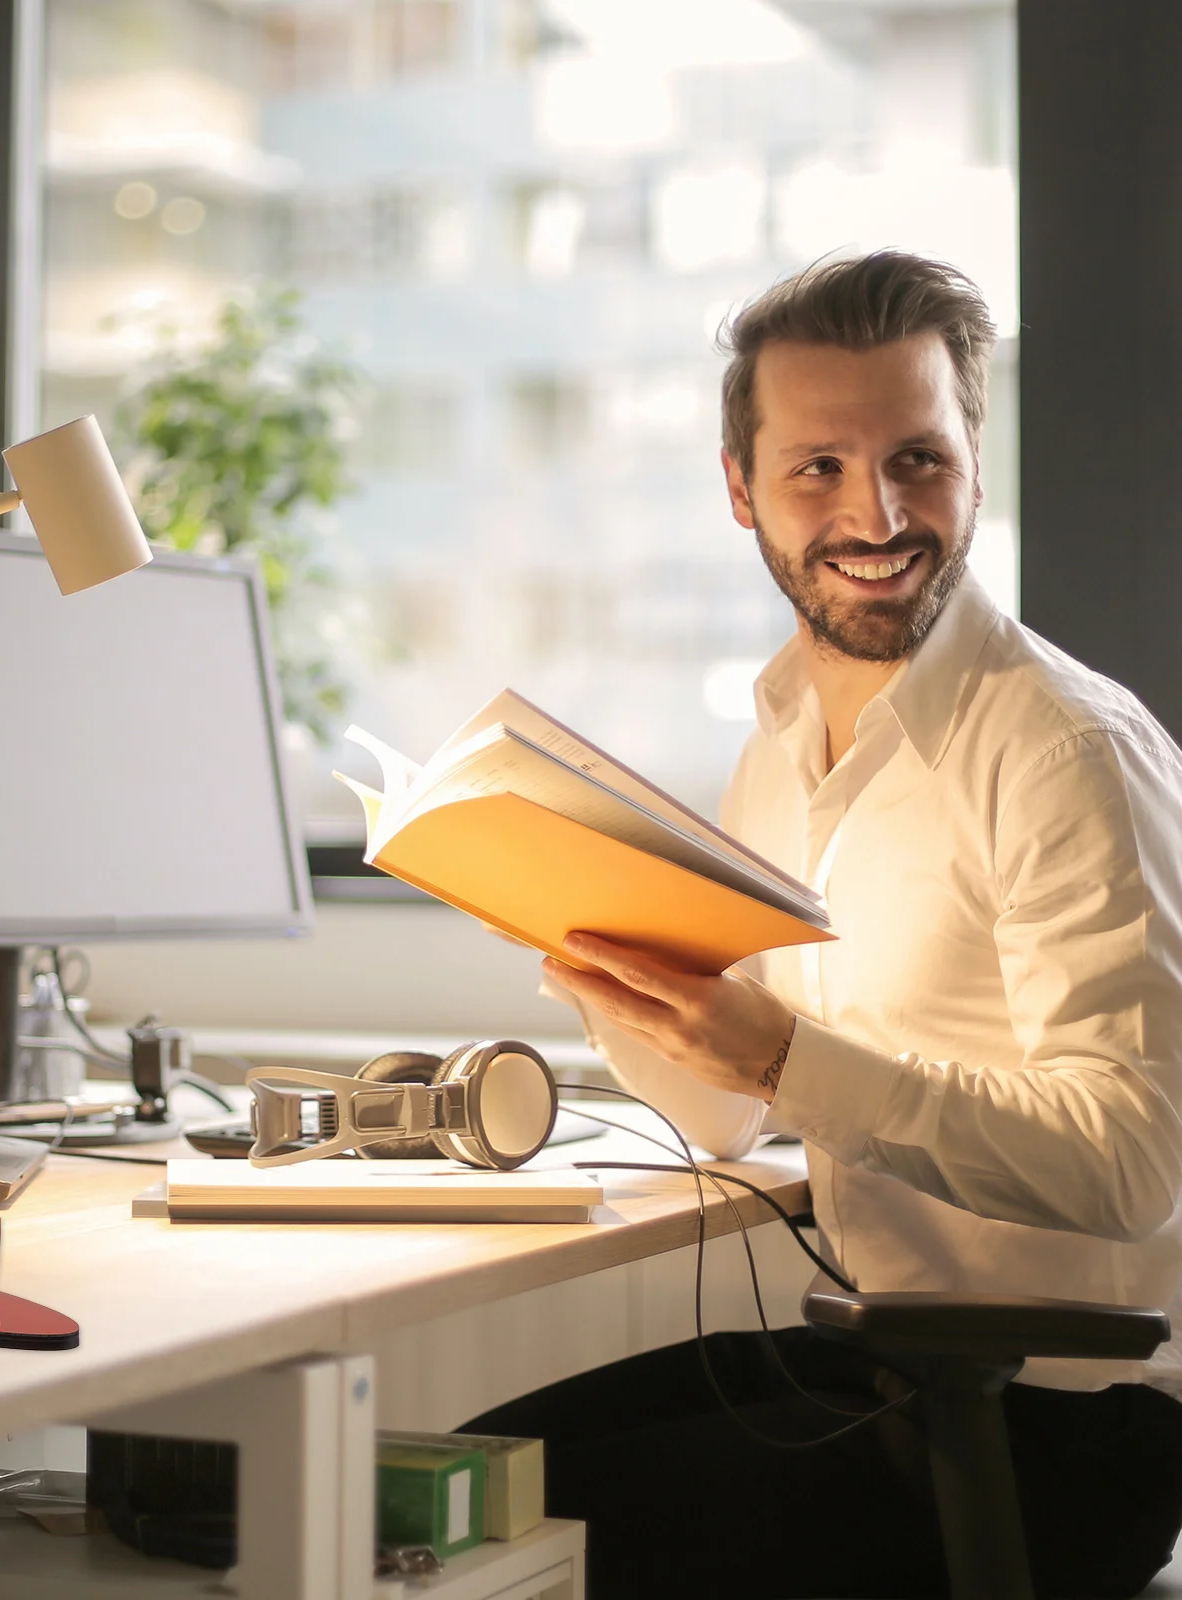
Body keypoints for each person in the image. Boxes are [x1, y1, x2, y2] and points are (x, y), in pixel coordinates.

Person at [468, 251, 1182, 1599]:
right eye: (819, 468)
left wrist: (784, 1055)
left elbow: (1131, 1162)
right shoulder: (788, 733)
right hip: (884, 1364)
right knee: (453, 1475)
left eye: (918, 457)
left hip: (1065, 1429)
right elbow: (728, 1121)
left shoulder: (1063, 747)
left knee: (481, 1548)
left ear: (975, 459)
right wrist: (602, 966)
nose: (877, 511)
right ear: (740, 490)